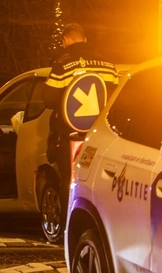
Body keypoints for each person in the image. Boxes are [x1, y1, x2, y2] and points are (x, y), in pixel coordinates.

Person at [43, 23, 118, 195]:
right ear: (85, 40)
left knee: (70, 181)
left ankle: (67, 220)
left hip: (70, 134)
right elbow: (116, 100)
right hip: (101, 135)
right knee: (98, 182)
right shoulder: (108, 64)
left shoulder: (62, 65)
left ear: (65, 41)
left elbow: (48, 99)